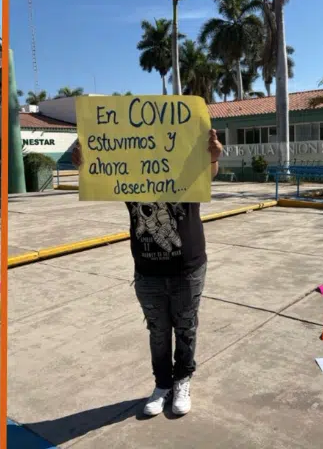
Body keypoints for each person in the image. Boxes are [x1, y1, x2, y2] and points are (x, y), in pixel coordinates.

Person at [70, 129, 223, 417]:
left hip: (187, 267)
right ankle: (163, 384)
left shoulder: (187, 172)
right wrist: (83, 164)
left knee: (186, 328)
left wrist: (213, 159)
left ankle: (182, 380)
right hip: (148, 271)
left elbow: (210, 171)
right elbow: (99, 178)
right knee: (158, 332)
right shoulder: (129, 177)